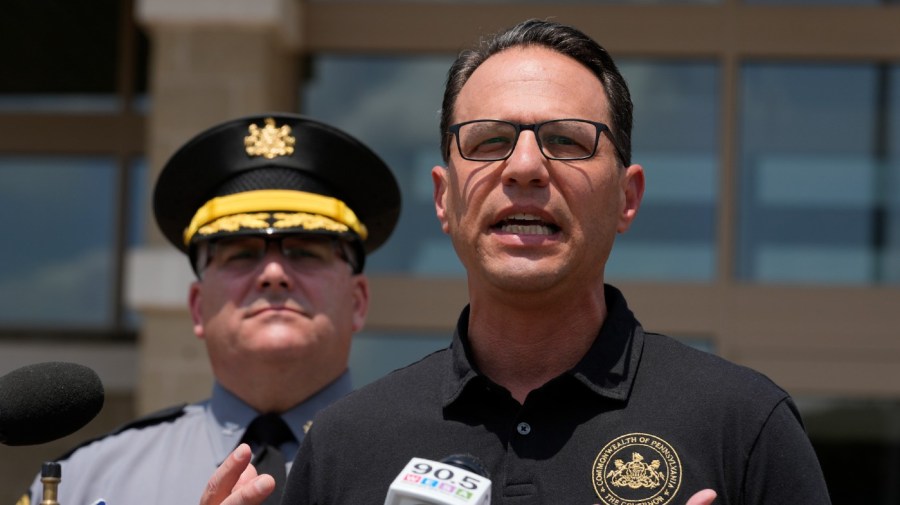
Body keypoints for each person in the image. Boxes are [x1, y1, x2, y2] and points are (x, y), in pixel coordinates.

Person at [202, 19, 831, 505]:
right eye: (490, 141)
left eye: (566, 140)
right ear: (445, 198)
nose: (526, 166)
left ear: (627, 197)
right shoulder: (346, 444)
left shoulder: (742, 425)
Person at [19, 113, 401, 505]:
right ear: (198, 307)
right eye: (241, 255)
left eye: (304, 252)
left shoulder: (426, 465)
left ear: (358, 301)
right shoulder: (87, 481)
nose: (273, 273)